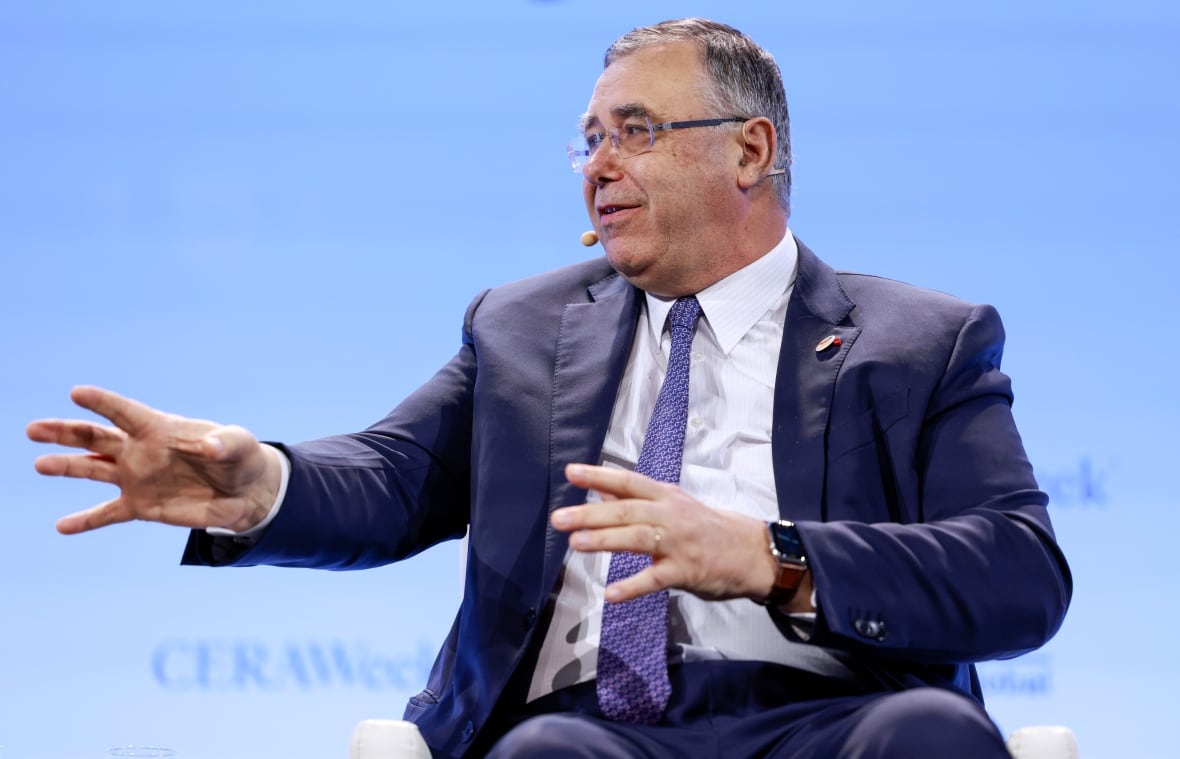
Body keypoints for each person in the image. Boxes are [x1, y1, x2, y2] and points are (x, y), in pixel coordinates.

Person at [28, 17, 1070, 759]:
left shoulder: (919, 340)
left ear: (750, 151)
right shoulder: (522, 327)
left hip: (838, 712)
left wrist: (768, 557)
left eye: (636, 131)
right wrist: (258, 485)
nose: (596, 164)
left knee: (929, 736)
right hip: (588, 726)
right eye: (588, 139)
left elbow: (1018, 573)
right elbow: (397, 477)